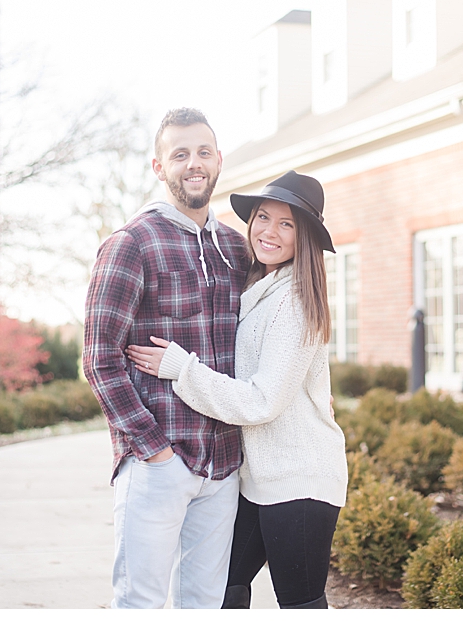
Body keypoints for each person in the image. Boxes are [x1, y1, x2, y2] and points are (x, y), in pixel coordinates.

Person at [126, 170, 349, 610]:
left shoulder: (295, 301)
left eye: (286, 224)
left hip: (300, 481)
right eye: (263, 217)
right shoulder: (260, 288)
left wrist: (181, 370)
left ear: (304, 237)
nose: (268, 231)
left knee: (300, 605)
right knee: (221, 586)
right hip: (259, 478)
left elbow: (262, 400)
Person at [83, 107, 250, 609]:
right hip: (159, 463)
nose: (193, 163)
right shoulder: (132, 243)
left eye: (203, 152)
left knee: (204, 605)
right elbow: (99, 359)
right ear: (159, 167)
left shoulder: (235, 249)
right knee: (140, 604)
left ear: (218, 159)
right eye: (179, 154)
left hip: (222, 464)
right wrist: (153, 449)